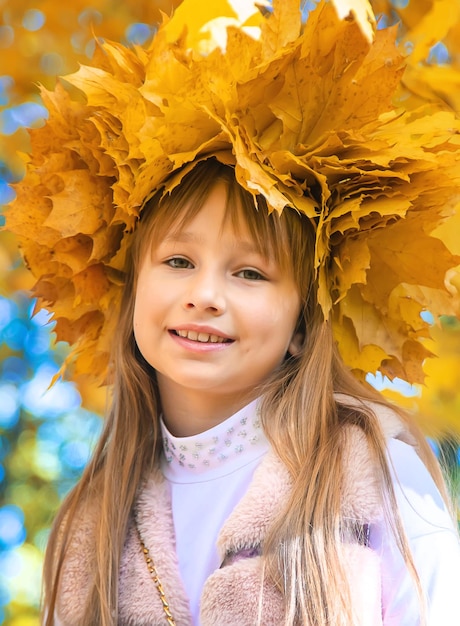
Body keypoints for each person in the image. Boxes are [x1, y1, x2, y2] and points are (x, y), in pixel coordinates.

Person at [5, 1, 460, 625]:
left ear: (302, 324)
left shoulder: (375, 475)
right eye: (178, 262)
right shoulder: (93, 519)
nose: (206, 295)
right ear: (131, 287)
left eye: (249, 273)